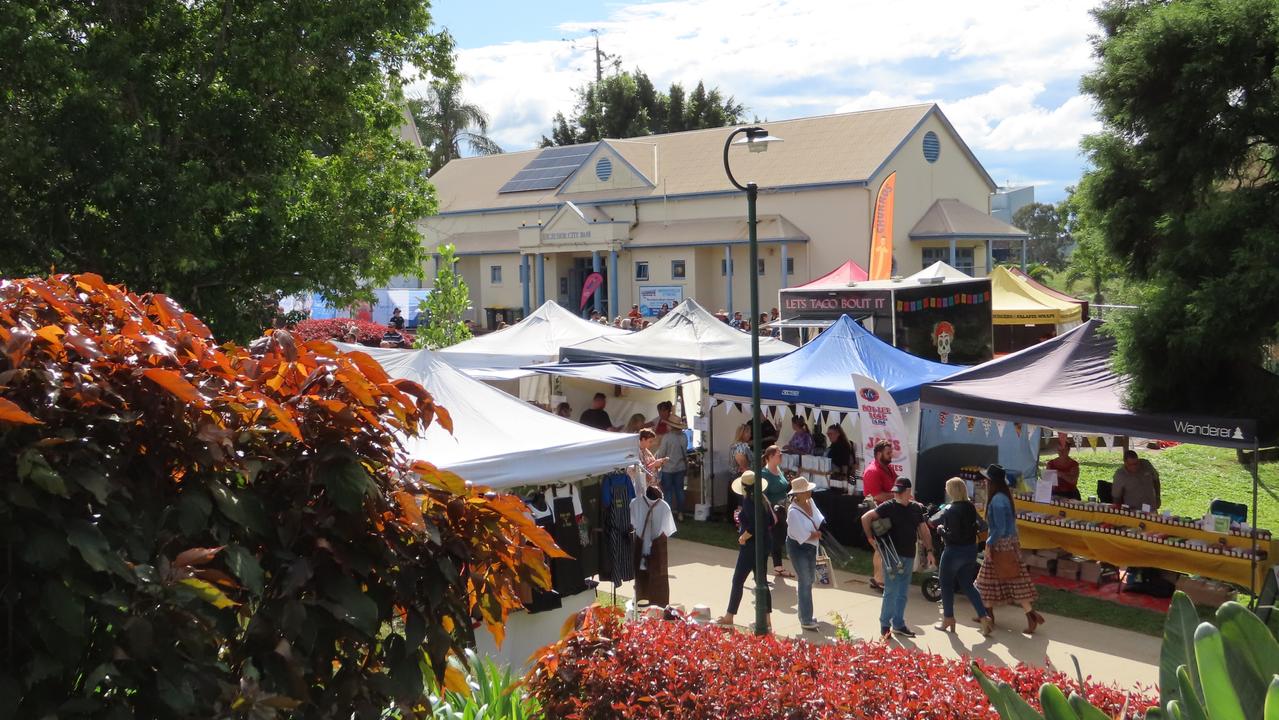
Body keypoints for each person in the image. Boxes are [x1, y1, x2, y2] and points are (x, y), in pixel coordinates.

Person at [975, 464, 1045, 634]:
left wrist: (989, 544)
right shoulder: (1004, 496)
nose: (984, 482)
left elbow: (999, 528)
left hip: (1000, 545)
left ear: (991, 481)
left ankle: (991, 615)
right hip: (1009, 544)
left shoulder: (998, 500)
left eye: (986, 479)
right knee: (1006, 581)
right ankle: (990, 614)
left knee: (988, 581)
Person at [860, 478, 933, 640]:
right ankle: (885, 626)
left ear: (908, 491)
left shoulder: (915, 508)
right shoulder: (888, 506)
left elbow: (924, 530)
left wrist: (930, 551)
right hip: (892, 555)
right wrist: (871, 539)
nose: (896, 493)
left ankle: (898, 624)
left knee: (902, 592)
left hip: (908, 554)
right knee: (891, 591)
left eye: (899, 491)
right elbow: (866, 518)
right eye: (895, 490)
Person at [934, 478, 993, 636]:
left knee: (946, 585)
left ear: (952, 491)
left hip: (954, 551)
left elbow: (952, 537)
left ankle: (948, 618)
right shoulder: (970, 507)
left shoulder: (951, 510)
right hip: (970, 550)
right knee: (967, 585)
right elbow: (981, 526)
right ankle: (983, 616)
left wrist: (940, 530)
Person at [715, 471, 774, 628]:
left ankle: (729, 616)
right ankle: (766, 620)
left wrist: (743, 537)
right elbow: (769, 520)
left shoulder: (749, 501)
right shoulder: (763, 499)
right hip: (764, 544)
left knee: (738, 580)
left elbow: (755, 525)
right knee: (761, 581)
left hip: (751, 547)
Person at [786, 477, 825, 631]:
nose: (809, 492)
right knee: (805, 580)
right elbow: (802, 536)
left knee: (808, 580)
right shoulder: (793, 512)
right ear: (798, 494)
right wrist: (815, 535)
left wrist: (817, 533)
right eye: (806, 490)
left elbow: (818, 518)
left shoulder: (810, 502)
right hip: (799, 548)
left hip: (810, 547)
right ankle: (806, 619)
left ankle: (805, 615)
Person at [631, 484, 677, 607]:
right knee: (659, 580)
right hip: (658, 550)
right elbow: (668, 531)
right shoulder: (665, 506)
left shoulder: (635, 503)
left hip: (641, 548)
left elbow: (633, 523)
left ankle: (640, 603)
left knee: (641, 578)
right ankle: (659, 606)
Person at [861, 440, 897, 592]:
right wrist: (897, 496)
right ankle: (879, 580)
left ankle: (878, 578)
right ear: (878, 454)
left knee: (883, 547)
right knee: (881, 546)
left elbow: (895, 485)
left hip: (887, 512)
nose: (891, 456)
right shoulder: (872, 471)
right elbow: (876, 495)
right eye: (888, 453)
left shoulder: (888, 468)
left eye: (891, 453)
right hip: (876, 514)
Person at [760, 445, 794, 579]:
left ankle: (778, 567)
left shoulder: (778, 470)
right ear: (770, 457)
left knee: (778, 538)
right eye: (779, 455)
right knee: (776, 538)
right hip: (773, 511)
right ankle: (760, 566)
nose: (781, 457)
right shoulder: (764, 474)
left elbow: (784, 487)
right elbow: (763, 495)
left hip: (784, 509)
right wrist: (771, 512)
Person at [655, 401, 689, 520]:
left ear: (671, 426)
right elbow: (685, 451)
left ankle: (668, 515)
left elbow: (661, 454)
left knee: (668, 492)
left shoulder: (667, 438)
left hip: (668, 469)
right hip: (680, 467)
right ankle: (680, 513)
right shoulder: (684, 437)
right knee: (680, 491)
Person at [1046, 435, 1081, 500]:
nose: (1061, 452)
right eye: (1059, 450)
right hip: (1055, 494)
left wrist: (1060, 474)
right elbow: (1048, 482)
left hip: (1070, 495)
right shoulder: (1050, 464)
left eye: (1063, 450)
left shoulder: (1074, 464)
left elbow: (1073, 481)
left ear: (1068, 450)